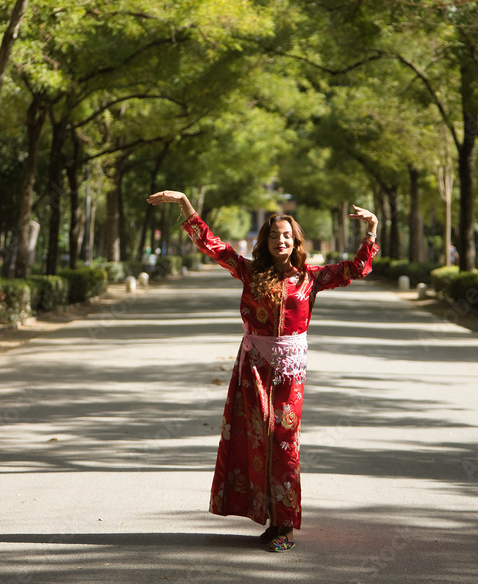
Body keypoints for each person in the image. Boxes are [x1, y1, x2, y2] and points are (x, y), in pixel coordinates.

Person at [146, 190, 379, 552]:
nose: (280, 240)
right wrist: (185, 204)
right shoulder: (250, 271)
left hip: (289, 374)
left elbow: (355, 269)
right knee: (255, 441)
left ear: (295, 241)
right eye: (273, 235)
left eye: (286, 235)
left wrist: (371, 231)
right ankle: (266, 517)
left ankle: (284, 523)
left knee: (283, 443)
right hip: (252, 369)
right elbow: (213, 247)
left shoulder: (310, 278)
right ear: (265, 242)